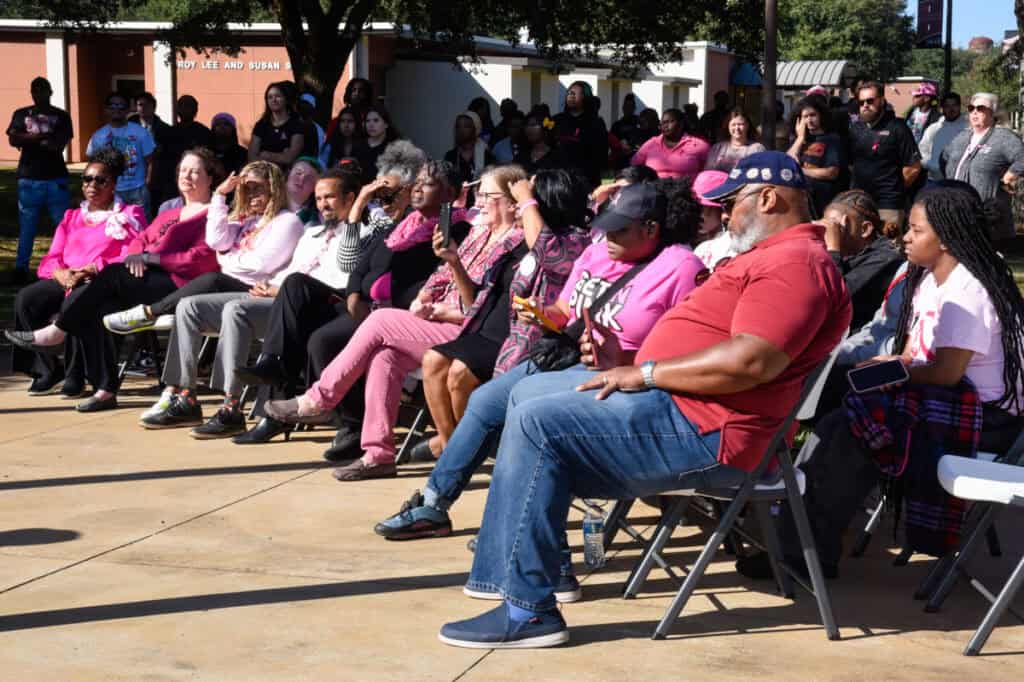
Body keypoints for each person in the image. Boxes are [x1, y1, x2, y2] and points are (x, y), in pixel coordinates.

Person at [435, 151, 851, 649]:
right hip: (686, 410)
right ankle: (527, 578)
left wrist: (646, 372)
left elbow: (752, 362)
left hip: (711, 431)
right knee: (525, 394)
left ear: (768, 198)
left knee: (538, 424)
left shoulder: (795, 264)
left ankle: (527, 610)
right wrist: (621, 359)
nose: (723, 215)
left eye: (732, 202)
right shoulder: (776, 258)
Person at [375, 178, 710, 542]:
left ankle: (515, 523)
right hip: (564, 356)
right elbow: (565, 309)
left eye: (620, 231)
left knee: (529, 412)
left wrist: (626, 358)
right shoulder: (597, 253)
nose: (609, 238)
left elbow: (688, 347)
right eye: (606, 228)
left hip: (618, 378)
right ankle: (434, 503)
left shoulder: (680, 267)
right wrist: (541, 313)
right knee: (486, 400)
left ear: (651, 229)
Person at [740, 184, 1024, 582]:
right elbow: (912, 354)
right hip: (943, 399)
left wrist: (891, 373)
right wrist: (881, 368)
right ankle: (794, 534)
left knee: (849, 429)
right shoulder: (929, 281)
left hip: (986, 422)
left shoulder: (969, 290)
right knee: (834, 395)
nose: (905, 236)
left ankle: (805, 551)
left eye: (916, 230)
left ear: (945, 238)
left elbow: (946, 372)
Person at [263, 165, 529, 481]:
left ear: (513, 202)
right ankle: (378, 454)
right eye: (480, 194)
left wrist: (448, 293)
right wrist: (426, 297)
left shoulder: (516, 244)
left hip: (470, 332)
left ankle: (320, 398)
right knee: (384, 357)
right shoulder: (478, 233)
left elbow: (486, 310)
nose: (480, 201)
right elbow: (440, 276)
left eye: (489, 196)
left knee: (382, 319)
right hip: (441, 321)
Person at [233, 161, 456, 449]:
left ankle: (349, 424)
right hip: (355, 302)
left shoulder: (437, 228)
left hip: (391, 311)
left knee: (319, 339)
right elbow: (357, 267)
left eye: (394, 192)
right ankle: (273, 374)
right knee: (295, 286)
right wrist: (354, 295)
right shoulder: (401, 227)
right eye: (381, 194)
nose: (388, 199)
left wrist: (361, 208)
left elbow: (425, 283)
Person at [7, 149, 221, 412]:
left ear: (210, 178)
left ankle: (58, 330)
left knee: (108, 277)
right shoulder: (170, 214)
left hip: (179, 285)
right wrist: (135, 255)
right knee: (104, 307)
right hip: (145, 279)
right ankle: (106, 389)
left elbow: (201, 259)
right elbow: (139, 241)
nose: (186, 175)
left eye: (195, 171)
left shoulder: (215, 214)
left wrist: (149, 259)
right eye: (182, 170)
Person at [104, 161, 305, 429]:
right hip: (231, 288)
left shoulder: (286, 221)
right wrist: (221, 197)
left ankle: (151, 313)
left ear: (274, 188)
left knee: (212, 278)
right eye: (245, 189)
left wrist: (229, 259)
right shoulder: (244, 220)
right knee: (187, 307)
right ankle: (185, 395)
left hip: (259, 293)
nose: (251, 195)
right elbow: (216, 242)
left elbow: (258, 266)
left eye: (258, 188)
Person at [170, 170, 363, 439]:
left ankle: (271, 382)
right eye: (318, 198)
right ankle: (231, 405)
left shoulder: (360, 232)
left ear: (351, 198)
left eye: (329, 197)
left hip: (331, 304)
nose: (322, 204)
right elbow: (291, 270)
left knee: (293, 285)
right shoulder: (311, 232)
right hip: (287, 298)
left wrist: (281, 287)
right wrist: (273, 287)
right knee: (233, 309)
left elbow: (346, 273)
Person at [414, 169, 593, 461]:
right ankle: (453, 448)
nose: (523, 205)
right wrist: (454, 262)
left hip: (519, 339)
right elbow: (476, 299)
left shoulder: (573, 241)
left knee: (459, 373)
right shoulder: (513, 243)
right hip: (483, 326)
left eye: (530, 201)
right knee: (433, 360)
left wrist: (524, 199)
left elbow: (548, 253)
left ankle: (471, 451)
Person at [5, 149, 144, 404]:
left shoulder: (129, 214)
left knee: (80, 301)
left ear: (113, 184)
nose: (91, 185)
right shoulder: (71, 216)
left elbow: (132, 254)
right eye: (87, 179)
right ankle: (47, 369)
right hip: (67, 278)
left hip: (100, 281)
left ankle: (76, 375)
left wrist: (94, 268)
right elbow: (51, 257)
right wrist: (60, 273)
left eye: (100, 180)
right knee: (27, 298)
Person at [6, 77, 73, 284]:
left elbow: (57, 144)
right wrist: (39, 138)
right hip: (29, 178)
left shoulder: (61, 116)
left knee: (62, 227)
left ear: (50, 92)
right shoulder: (21, 114)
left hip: (55, 179)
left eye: (43, 90)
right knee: (27, 227)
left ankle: (67, 264)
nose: (39, 94)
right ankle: (21, 269)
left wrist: (27, 138)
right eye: (35, 90)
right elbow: (12, 138)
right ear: (31, 92)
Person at [942, 93, 1024, 243]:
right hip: (957, 212)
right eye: (971, 108)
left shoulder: (1004, 137)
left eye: (980, 108)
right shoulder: (962, 137)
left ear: (993, 112)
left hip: (988, 216)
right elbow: (944, 158)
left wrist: (1009, 177)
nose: (974, 112)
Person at [820, 190, 904, 329]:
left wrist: (833, 250)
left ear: (865, 229)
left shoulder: (886, 258)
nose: (829, 233)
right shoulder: (849, 253)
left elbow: (833, 298)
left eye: (837, 227)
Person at [849, 81, 921, 227]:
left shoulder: (897, 127)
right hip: (859, 203)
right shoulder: (855, 129)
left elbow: (913, 167)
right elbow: (851, 164)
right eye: (861, 102)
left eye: (870, 101)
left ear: (881, 100)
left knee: (890, 248)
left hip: (888, 205)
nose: (865, 105)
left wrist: (894, 189)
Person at [86, 92, 156, 216]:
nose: (116, 109)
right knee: (114, 227)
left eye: (121, 106)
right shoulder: (98, 136)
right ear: (106, 109)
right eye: (112, 106)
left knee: (142, 228)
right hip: (110, 190)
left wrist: (147, 184)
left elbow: (151, 161)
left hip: (137, 189)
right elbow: (93, 164)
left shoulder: (140, 132)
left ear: (128, 110)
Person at [786, 97, 844, 216]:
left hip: (823, 203)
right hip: (801, 202)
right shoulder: (798, 141)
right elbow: (788, 164)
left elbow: (831, 173)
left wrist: (801, 170)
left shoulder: (832, 139)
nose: (809, 120)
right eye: (805, 117)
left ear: (821, 116)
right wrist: (800, 138)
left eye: (812, 115)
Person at [551, 81, 608, 188]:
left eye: (575, 93)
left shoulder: (596, 123)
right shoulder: (556, 120)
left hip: (585, 182)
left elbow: (603, 156)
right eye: (569, 93)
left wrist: (607, 185)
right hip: (558, 181)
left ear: (585, 97)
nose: (570, 96)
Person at [631, 108, 710, 180]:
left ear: (681, 124)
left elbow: (709, 173)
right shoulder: (651, 143)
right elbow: (634, 166)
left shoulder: (699, 145)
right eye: (663, 122)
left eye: (670, 121)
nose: (665, 126)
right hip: (653, 191)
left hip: (686, 192)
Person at [129, 91, 174, 214]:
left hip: (156, 178)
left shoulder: (165, 130)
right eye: (140, 105)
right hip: (131, 175)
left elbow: (169, 155)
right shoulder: (128, 125)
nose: (143, 108)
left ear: (154, 108)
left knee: (153, 211)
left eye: (147, 105)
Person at [248, 81, 305, 171]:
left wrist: (266, 155)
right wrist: (280, 156)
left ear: (286, 99)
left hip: (287, 175)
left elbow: (290, 158)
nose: (273, 100)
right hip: (263, 174)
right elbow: (251, 158)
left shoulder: (296, 124)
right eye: (270, 97)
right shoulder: (261, 125)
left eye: (278, 96)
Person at [919, 92, 968, 181]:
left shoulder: (969, 128)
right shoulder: (933, 129)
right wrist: (933, 165)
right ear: (942, 109)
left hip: (961, 181)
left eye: (954, 105)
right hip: (935, 180)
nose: (951, 109)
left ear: (960, 106)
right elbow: (922, 152)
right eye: (947, 106)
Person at [692, 169, 735, 270]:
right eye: (695, 207)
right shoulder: (692, 243)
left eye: (704, 208)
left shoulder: (730, 247)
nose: (698, 214)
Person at [704, 108, 766, 173]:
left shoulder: (757, 149)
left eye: (740, 124)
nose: (737, 128)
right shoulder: (717, 148)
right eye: (733, 125)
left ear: (747, 126)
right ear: (728, 126)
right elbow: (708, 173)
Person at [445, 111, 497, 188]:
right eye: (458, 126)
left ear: (475, 129)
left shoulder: (487, 156)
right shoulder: (450, 156)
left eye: (466, 126)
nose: (461, 130)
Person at [353, 104, 400, 184]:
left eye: (376, 120)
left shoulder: (394, 148)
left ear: (386, 124)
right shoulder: (358, 146)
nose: (371, 125)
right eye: (367, 121)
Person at [210, 112, 248, 178]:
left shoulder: (242, 153)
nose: (222, 127)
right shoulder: (207, 152)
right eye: (218, 124)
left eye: (226, 124)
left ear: (233, 129)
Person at [286, 157, 322, 224]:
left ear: (314, 188)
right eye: (298, 173)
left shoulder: (314, 221)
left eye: (309, 178)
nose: (302, 179)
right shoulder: (266, 200)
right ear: (288, 173)